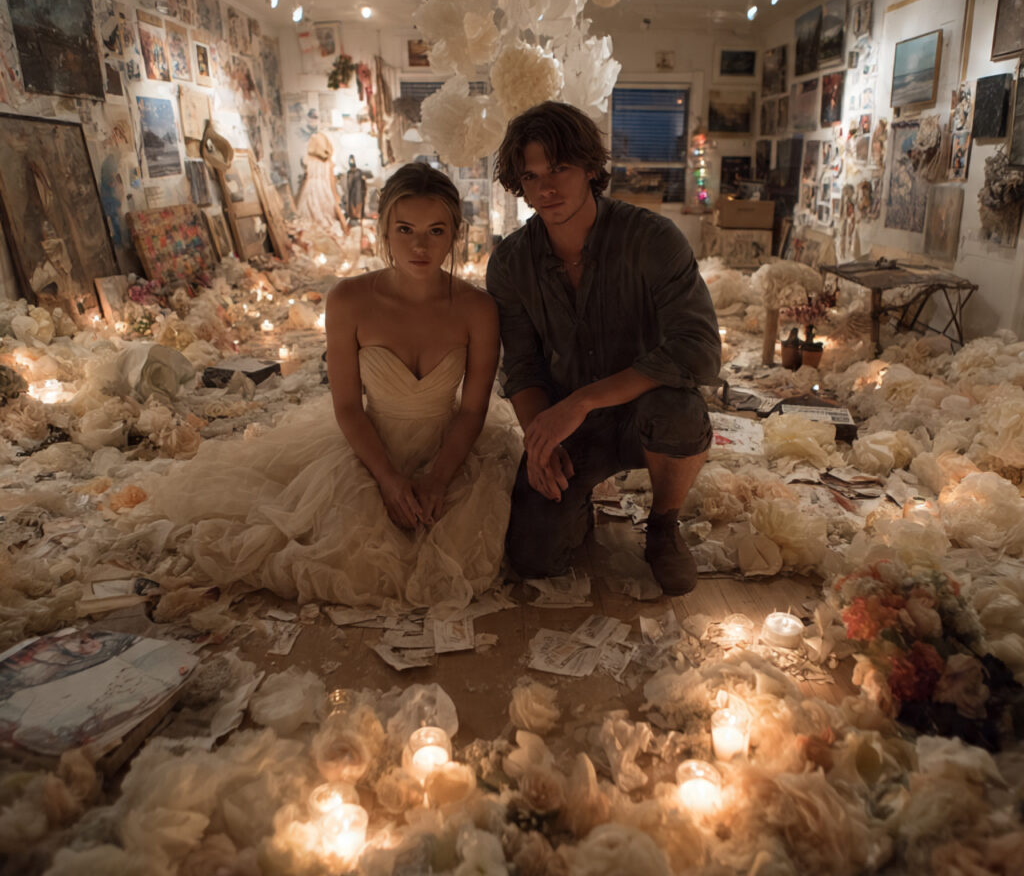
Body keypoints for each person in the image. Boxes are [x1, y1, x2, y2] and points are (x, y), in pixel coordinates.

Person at [131, 164, 520, 612]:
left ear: (456, 233)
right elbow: (350, 409)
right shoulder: (349, 300)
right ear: (383, 231)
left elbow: (472, 412)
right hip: (370, 447)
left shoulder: (477, 308)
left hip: (451, 450)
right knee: (347, 555)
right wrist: (390, 482)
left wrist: (436, 480)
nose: (419, 245)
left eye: (436, 230)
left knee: (471, 551)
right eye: (405, 229)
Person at [486, 101, 721, 596]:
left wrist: (583, 400)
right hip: (572, 428)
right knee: (533, 558)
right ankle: (580, 504)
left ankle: (662, 526)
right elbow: (523, 367)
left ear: (591, 169)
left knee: (679, 412)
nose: (546, 189)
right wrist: (540, 440)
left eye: (559, 170)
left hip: (646, 413)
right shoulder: (510, 262)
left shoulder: (651, 238)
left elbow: (698, 350)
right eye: (530, 177)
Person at [294, 132, 349, 234]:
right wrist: (337, 200)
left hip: (309, 198)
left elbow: (303, 184)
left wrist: (297, 201)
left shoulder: (308, 162)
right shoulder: (328, 165)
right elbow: (332, 188)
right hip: (325, 199)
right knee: (326, 225)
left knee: (310, 227)